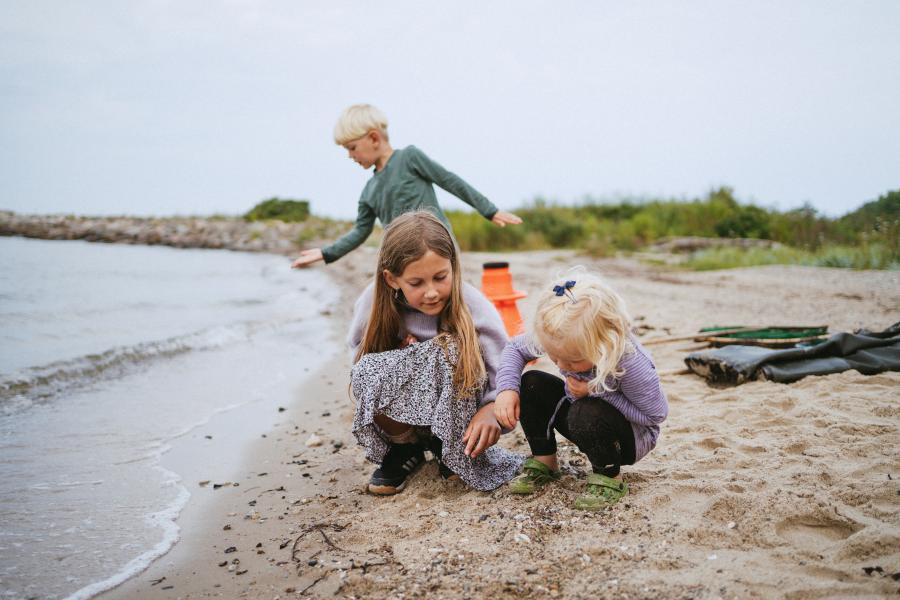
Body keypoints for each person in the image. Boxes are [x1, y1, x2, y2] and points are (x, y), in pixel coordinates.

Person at [349, 211, 523, 495]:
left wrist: (492, 407)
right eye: (416, 283)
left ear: (453, 267)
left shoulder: (471, 302)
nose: (431, 292)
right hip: (406, 417)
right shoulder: (373, 301)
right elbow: (359, 363)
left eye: (440, 277)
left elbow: (504, 363)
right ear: (392, 279)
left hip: (461, 417)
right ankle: (406, 448)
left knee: (450, 348)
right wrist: (402, 358)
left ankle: (449, 448)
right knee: (365, 370)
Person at [493, 269, 668, 510]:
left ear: (603, 346)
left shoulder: (629, 361)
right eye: (554, 356)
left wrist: (595, 390)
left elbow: (654, 416)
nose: (562, 365)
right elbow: (514, 349)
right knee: (531, 382)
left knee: (586, 411)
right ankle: (545, 461)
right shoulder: (563, 337)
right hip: (581, 416)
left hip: (629, 437)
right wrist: (506, 389)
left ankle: (609, 476)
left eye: (573, 361)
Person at [291, 104, 521, 268]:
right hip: (402, 259)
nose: (350, 156)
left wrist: (489, 210)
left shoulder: (409, 158)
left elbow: (450, 181)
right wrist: (326, 252)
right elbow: (360, 231)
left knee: (453, 304)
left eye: (352, 147)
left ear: (373, 138)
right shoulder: (368, 191)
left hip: (438, 248)